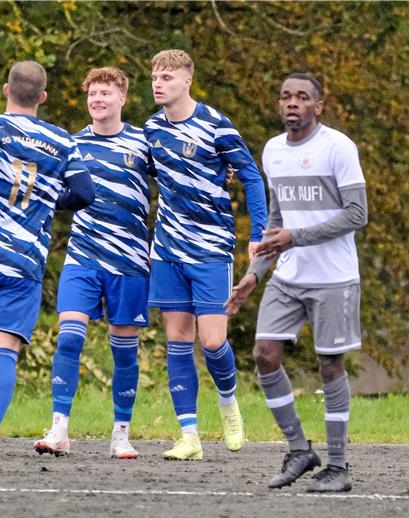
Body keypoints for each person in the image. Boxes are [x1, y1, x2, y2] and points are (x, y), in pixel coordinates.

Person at [0, 60, 95, 474]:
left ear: (5, 89)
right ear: (43, 97)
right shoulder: (63, 141)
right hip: (24, 261)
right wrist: (49, 199)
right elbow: (85, 192)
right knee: (5, 350)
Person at [226, 73, 367, 492]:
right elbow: (277, 220)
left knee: (329, 365)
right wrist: (254, 274)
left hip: (334, 277)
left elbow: (357, 214)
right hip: (287, 276)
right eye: (286, 96)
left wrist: (296, 238)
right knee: (265, 355)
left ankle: (338, 467)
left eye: (302, 97)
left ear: (318, 106)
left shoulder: (338, 147)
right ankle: (300, 449)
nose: (292, 103)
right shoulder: (272, 151)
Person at [144, 49, 267, 460]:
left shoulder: (216, 125)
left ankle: (229, 404)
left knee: (213, 341)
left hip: (212, 248)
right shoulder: (150, 130)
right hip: (167, 250)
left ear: (186, 82)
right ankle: (189, 436)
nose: (158, 83)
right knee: (177, 340)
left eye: (167, 76)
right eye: (155, 76)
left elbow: (249, 174)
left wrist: (259, 231)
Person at [32, 67, 152, 460]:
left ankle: (120, 434)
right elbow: (47, 188)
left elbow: (179, 177)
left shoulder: (143, 142)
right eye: (92, 94)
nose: (97, 99)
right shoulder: (73, 144)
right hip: (83, 256)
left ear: (122, 98)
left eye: (105, 93)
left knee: (124, 351)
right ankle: (59, 430)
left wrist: (225, 171)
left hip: (130, 261)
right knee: (69, 337)